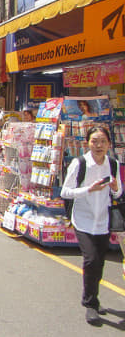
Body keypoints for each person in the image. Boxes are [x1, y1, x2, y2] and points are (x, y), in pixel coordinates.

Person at [61, 126, 122, 325]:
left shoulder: (113, 164)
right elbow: (66, 192)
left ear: (109, 145)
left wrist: (114, 188)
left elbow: (118, 193)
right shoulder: (80, 164)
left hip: (103, 221)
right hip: (83, 219)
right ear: (88, 143)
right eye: (95, 141)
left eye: (103, 141)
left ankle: (93, 298)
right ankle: (90, 304)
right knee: (91, 259)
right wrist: (89, 189)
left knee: (99, 263)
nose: (99, 145)